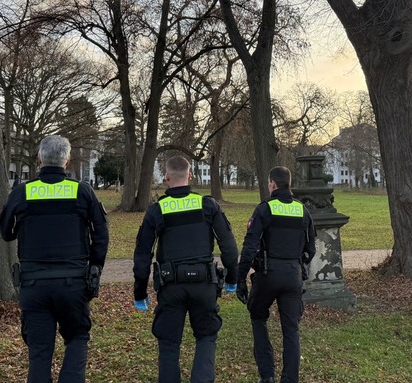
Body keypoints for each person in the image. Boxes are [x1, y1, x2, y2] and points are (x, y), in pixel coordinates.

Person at [0, 135, 109, 383]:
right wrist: (95, 268)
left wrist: (20, 230)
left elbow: (5, 232)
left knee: (39, 352)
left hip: (34, 285)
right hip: (74, 283)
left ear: (39, 159)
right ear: (67, 161)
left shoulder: (22, 192)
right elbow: (101, 234)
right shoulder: (82, 191)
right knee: (77, 338)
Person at [132, 155, 239, 383]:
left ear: (167, 178)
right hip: (204, 283)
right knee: (206, 337)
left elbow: (142, 255)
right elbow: (229, 247)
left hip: (171, 286)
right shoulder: (207, 205)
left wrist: (140, 292)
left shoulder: (157, 210)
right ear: (190, 175)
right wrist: (232, 278)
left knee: (169, 344)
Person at [236, 166, 316, 383]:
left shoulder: (265, 209)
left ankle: (267, 374)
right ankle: (290, 379)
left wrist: (241, 278)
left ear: (272, 184)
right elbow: (311, 249)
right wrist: (299, 264)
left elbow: (249, 246)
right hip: (293, 275)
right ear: (288, 183)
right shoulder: (303, 211)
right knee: (291, 329)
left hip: (267, 274)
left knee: (258, 316)